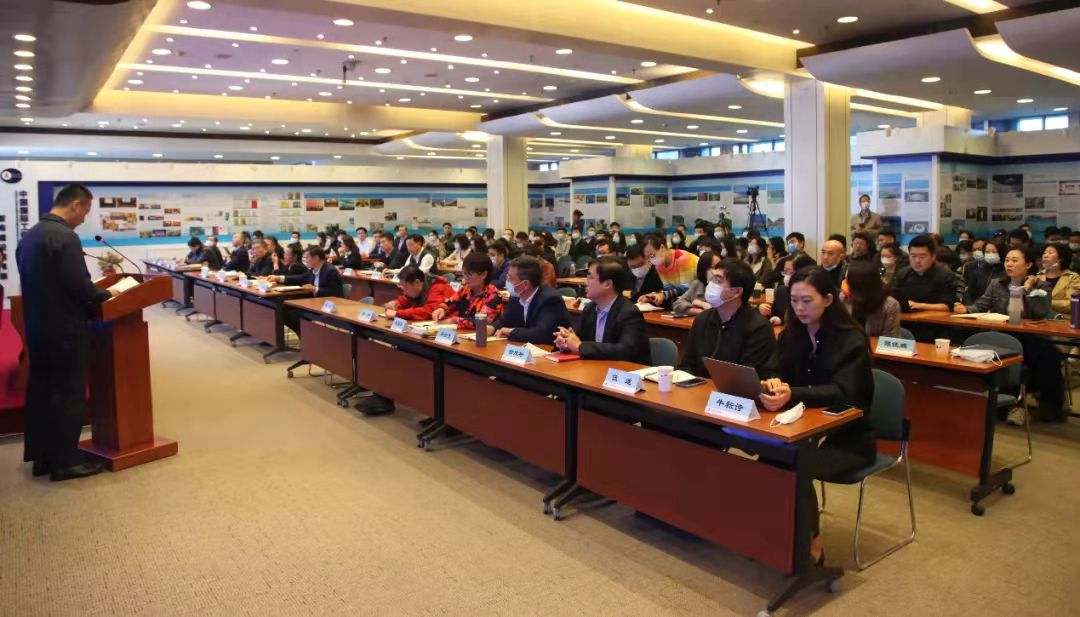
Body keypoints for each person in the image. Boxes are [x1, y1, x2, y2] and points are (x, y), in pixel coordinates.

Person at [760, 267, 876, 566]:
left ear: (828, 299)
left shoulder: (850, 339)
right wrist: (773, 380)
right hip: (799, 428)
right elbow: (772, 367)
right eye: (794, 300)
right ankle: (775, 535)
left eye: (807, 301)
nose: (799, 308)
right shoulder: (792, 333)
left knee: (794, 463)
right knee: (769, 459)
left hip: (847, 438)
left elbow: (846, 392)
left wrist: (794, 393)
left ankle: (811, 545)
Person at [16, 183, 118, 481]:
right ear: (75, 205)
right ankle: (66, 462)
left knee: (43, 392)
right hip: (66, 329)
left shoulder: (30, 235)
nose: (84, 218)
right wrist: (107, 294)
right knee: (69, 393)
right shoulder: (65, 237)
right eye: (85, 211)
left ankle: (44, 457)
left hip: (38, 326)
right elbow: (79, 285)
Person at [955, 247, 1064, 422]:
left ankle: (1048, 404)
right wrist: (965, 309)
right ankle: (992, 400)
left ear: (1028, 264)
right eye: (1007, 260)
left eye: (1014, 260)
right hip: (1002, 334)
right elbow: (980, 306)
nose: (1009, 264)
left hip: (1031, 337)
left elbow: (1040, 312)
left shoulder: (1042, 286)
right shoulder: (996, 284)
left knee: (1048, 355)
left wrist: (1026, 289)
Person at [675, 258, 777, 379]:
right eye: (712, 278)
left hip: (734, 390)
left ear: (736, 292)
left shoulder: (759, 328)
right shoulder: (702, 319)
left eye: (718, 280)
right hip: (697, 388)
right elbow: (687, 366)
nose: (711, 285)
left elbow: (746, 379)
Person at [554, 257, 650, 364]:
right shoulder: (590, 309)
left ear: (607, 284)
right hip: (596, 368)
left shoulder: (629, 313)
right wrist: (567, 342)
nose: (586, 282)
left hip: (626, 371)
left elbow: (625, 350)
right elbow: (580, 342)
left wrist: (580, 346)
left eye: (590, 277)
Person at [490, 256, 571, 344]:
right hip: (524, 346)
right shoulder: (516, 296)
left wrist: (511, 332)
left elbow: (542, 334)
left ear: (525, 284)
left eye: (511, 278)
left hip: (549, 348)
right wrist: (492, 327)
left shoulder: (550, 300)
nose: (507, 281)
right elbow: (505, 320)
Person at [430, 252, 505, 329]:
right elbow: (450, 303)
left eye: (469, 274)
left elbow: (483, 321)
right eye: (464, 273)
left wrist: (454, 321)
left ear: (484, 274)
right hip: (461, 333)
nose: (465, 278)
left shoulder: (493, 295)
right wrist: (441, 309)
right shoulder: (465, 290)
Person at [893, 234, 960, 313]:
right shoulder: (903, 274)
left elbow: (948, 306)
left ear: (933, 257)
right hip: (907, 318)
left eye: (922, 257)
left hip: (936, 319)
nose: (917, 261)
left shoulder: (946, 275)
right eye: (913, 256)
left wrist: (917, 305)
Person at [637, 233, 699, 306]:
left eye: (652, 255)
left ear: (662, 247)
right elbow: (668, 288)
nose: (651, 260)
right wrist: (652, 296)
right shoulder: (659, 265)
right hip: (685, 299)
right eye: (648, 258)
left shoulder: (683, 258)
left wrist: (663, 295)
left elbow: (686, 288)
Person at [844, 261, 901, 337]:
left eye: (847, 281)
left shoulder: (890, 305)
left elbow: (891, 337)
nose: (845, 283)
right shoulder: (844, 299)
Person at [758, 254, 816, 325]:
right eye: (785, 272)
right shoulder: (781, 291)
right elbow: (773, 314)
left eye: (791, 272)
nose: (787, 276)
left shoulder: (811, 296)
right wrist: (763, 310)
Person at [384, 265, 455, 321]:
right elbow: (405, 299)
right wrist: (395, 304)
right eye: (400, 285)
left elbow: (428, 311)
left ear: (417, 282)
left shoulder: (438, 286)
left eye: (405, 286)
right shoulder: (416, 289)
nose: (404, 291)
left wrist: (398, 314)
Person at [672, 251, 719, 316]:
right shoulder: (697, 284)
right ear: (703, 269)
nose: (717, 271)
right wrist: (700, 309)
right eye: (713, 267)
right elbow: (677, 305)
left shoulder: (725, 287)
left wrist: (698, 304)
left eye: (719, 267)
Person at [1038, 243, 1080, 315]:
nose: (1045, 256)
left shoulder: (1073, 278)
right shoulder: (1038, 276)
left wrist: (1047, 302)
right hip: (1039, 319)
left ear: (1061, 258)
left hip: (1063, 319)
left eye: (1050, 253)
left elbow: (1072, 304)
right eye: (1044, 253)